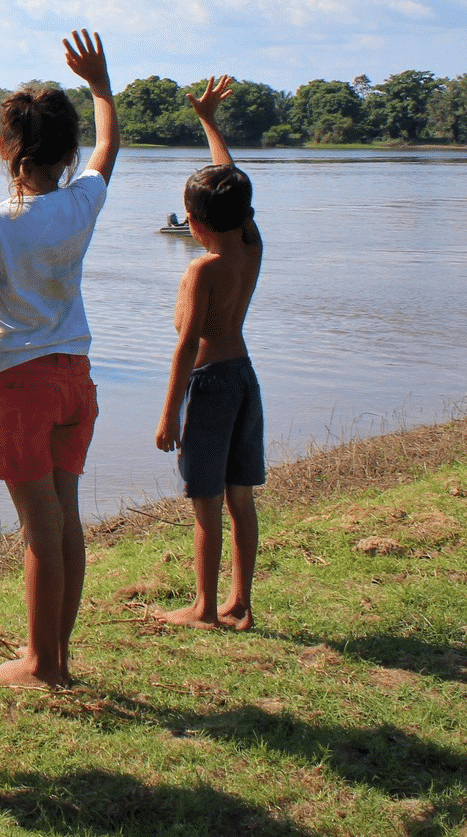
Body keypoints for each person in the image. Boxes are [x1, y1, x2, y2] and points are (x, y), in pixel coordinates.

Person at [0, 31, 118, 690]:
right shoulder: (81, 203)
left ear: (6, 148)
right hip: (76, 381)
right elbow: (109, 148)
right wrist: (101, 85)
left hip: (20, 386)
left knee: (38, 533)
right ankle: (57, 655)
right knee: (66, 520)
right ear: (65, 152)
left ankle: (42, 664)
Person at [155, 76, 266, 631]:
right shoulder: (250, 245)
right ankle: (240, 601)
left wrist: (169, 413)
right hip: (245, 377)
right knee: (239, 496)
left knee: (204, 502)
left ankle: (203, 606)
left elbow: (186, 345)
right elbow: (233, 185)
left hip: (211, 384)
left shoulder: (203, 267)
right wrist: (209, 122)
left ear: (194, 223)